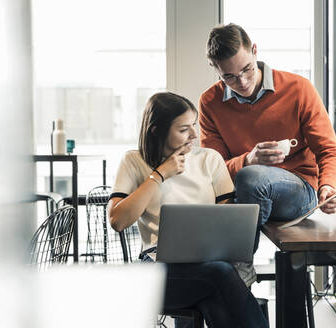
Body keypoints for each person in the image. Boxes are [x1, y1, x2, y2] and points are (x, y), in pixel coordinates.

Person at [108, 92, 268, 328]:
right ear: (156, 130)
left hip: (207, 266)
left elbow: (227, 218)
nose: (194, 134)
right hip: (156, 269)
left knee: (215, 292)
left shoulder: (209, 160)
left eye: (194, 125)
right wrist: (160, 174)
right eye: (184, 129)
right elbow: (118, 220)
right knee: (219, 277)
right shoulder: (133, 161)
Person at [199, 23, 336, 276]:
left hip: (300, 192)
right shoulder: (209, 102)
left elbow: (330, 151)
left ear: (254, 50)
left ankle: (240, 269)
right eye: (229, 77)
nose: (242, 81)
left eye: (246, 69)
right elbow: (213, 170)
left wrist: (329, 187)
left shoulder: (298, 88)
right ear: (215, 69)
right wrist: (248, 159)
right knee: (219, 190)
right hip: (243, 195)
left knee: (252, 177)